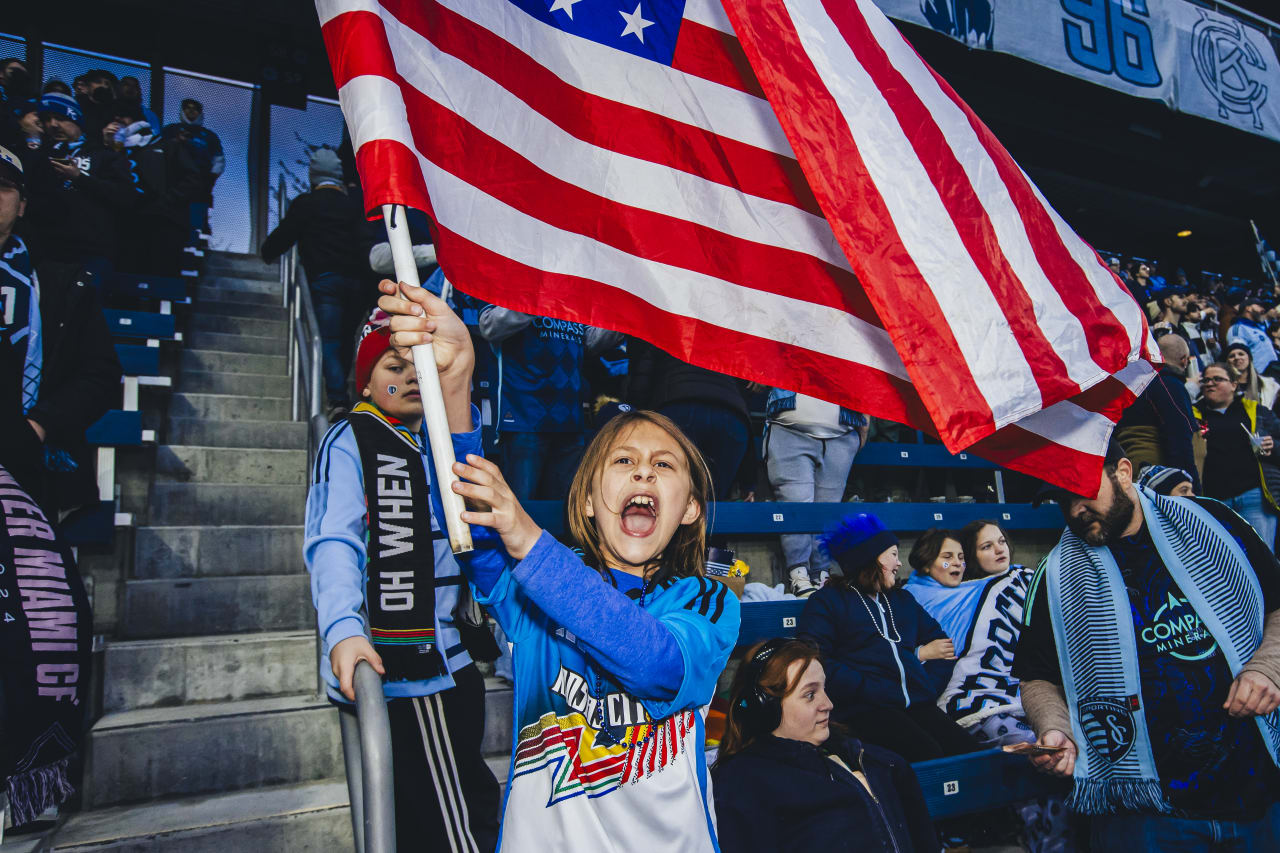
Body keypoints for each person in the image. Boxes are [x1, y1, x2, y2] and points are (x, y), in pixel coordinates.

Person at [374, 273, 741, 852]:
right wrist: (455, 382)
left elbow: (657, 665)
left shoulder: (708, 601)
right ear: (591, 501)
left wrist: (528, 538)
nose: (644, 471)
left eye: (664, 466)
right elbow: (467, 520)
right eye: (623, 460)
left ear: (691, 509)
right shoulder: (533, 598)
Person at [1015, 444, 1280, 851]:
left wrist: (1267, 667)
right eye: (1061, 500)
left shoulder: (1214, 523)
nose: (1074, 511)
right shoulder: (1055, 575)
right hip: (1144, 816)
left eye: (1082, 491)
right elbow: (1037, 676)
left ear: (1123, 471)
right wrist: (1055, 728)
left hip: (1257, 792)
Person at [305, 305, 500, 850]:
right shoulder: (349, 439)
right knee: (455, 827)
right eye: (394, 367)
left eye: (420, 366)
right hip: (409, 670)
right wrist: (344, 628)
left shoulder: (440, 445)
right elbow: (334, 542)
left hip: (455, 663)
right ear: (364, 382)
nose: (411, 376)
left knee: (452, 809)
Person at [711, 638, 939, 853]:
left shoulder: (879, 762)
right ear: (766, 709)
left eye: (824, 689)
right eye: (810, 695)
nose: (828, 704)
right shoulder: (742, 785)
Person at [798, 512, 981, 761]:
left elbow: (945, 649)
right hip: (863, 710)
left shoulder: (902, 599)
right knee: (928, 753)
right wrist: (867, 688)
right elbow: (815, 658)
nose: (898, 563)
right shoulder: (828, 601)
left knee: (969, 752)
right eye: (893, 554)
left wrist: (923, 686)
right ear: (870, 558)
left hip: (915, 704)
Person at [0, 144, 122, 515]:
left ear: (22, 205)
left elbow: (100, 374)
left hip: (26, 471)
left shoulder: (60, 285)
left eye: (3, 187)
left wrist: (39, 425)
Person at [260, 148, 371, 414]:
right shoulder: (354, 205)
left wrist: (267, 253)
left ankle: (338, 398)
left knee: (329, 340)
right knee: (346, 338)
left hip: (325, 280)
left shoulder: (307, 204)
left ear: (314, 175)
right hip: (357, 282)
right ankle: (348, 390)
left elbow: (284, 235)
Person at [478, 304, 620, 501]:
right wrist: (541, 291)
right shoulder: (514, 283)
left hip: (570, 421)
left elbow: (589, 341)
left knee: (564, 511)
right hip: (525, 419)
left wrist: (624, 320)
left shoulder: (572, 295)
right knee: (522, 509)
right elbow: (489, 326)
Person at [20, 91, 137, 284]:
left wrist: (79, 178)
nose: (52, 125)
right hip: (45, 251)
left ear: (76, 119)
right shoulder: (39, 155)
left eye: (59, 117)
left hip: (91, 253)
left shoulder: (105, 155)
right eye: (46, 119)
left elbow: (125, 197)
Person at [762, 386, 867, 597]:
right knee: (797, 507)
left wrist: (863, 425)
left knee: (827, 512)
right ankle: (798, 574)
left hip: (842, 433)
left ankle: (821, 575)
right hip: (789, 427)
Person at [626, 338, 751, 501]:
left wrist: (635, 417)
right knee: (714, 500)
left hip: (679, 407)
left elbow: (641, 382)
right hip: (731, 416)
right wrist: (749, 482)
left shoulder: (662, 333)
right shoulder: (722, 338)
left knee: (673, 497)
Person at [1193, 362, 1280, 550]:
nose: (1210, 384)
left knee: (1262, 556)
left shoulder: (1256, 412)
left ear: (1233, 384)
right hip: (1216, 501)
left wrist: (1273, 446)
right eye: (1206, 380)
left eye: (1217, 379)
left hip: (1254, 497)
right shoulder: (1194, 415)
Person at [1112, 333, 1201, 491]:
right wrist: (1191, 492)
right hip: (1160, 480)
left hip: (1131, 476)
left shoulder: (1131, 387)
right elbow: (1179, 437)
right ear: (1184, 360)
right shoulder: (1168, 384)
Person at [161, 98, 223, 237]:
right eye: (187, 108)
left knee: (197, 224)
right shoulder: (171, 130)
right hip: (173, 184)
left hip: (200, 186)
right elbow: (159, 150)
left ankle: (197, 247)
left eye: (195, 109)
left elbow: (219, 159)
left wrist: (211, 178)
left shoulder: (209, 136)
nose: (191, 111)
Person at [1229, 297, 1277, 378]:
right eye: (1259, 306)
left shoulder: (1257, 328)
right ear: (1248, 308)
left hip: (1272, 375)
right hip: (1259, 377)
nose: (1263, 309)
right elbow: (1237, 357)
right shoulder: (1238, 328)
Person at [1226, 341, 1280, 409]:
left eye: (1241, 354)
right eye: (1232, 356)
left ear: (1249, 358)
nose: (1236, 358)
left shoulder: (1269, 385)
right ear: (1227, 362)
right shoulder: (1224, 386)